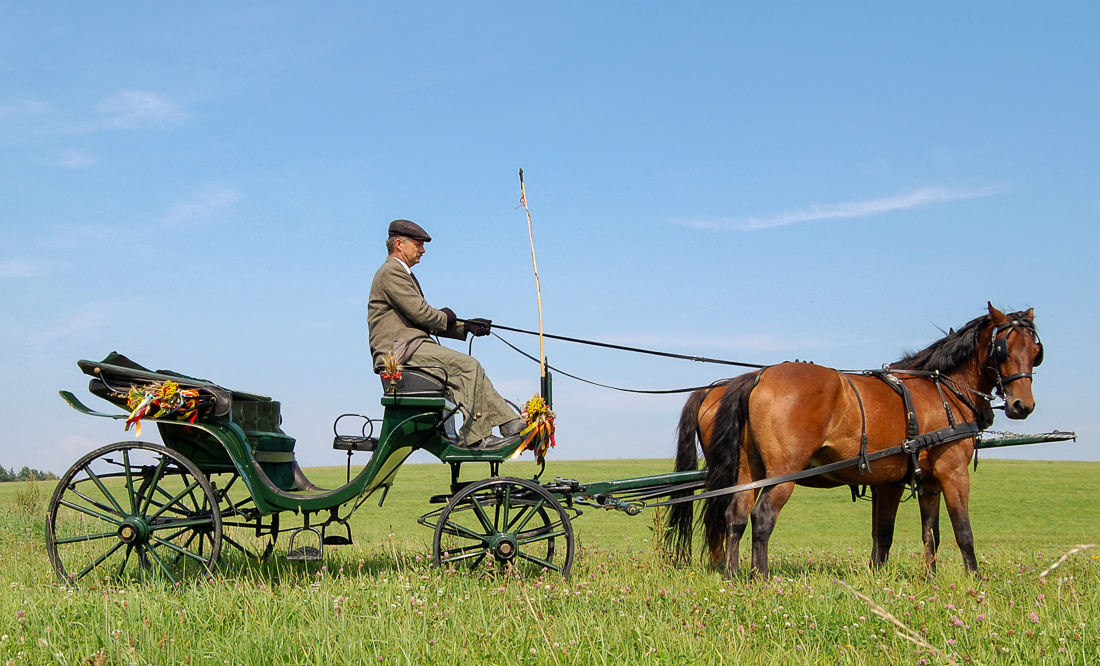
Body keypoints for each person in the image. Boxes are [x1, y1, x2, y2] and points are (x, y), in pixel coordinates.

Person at [367, 219, 525, 447]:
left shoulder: (402, 273)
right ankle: (477, 438)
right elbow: (422, 314)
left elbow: (423, 320)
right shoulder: (391, 272)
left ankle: (509, 422)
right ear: (399, 244)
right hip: (399, 352)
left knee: (473, 368)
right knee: (468, 366)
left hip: (410, 346)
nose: (422, 250)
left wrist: (466, 326)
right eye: (419, 244)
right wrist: (448, 316)